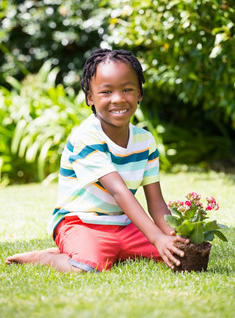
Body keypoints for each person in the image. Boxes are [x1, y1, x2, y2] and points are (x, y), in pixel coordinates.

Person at [6, 48, 188, 272]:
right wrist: (156, 238)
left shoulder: (145, 141)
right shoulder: (87, 137)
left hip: (123, 224)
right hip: (80, 224)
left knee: (178, 255)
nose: (118, 99)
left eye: (128, 89)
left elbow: (156, 202)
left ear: (140, 93)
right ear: (90, 98)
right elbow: (118, 191)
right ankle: (48, 257)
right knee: (82, 268)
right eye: (106, 92)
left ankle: (104, 249)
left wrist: (170, 236)